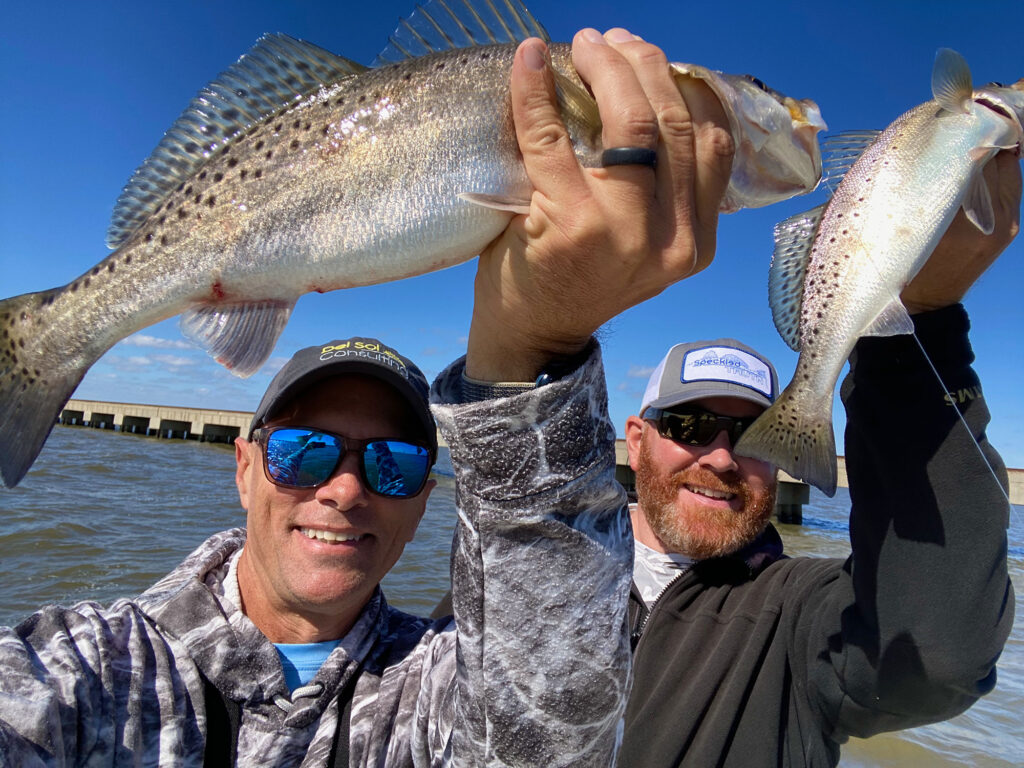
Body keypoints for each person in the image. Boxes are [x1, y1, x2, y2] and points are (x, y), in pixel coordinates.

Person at [0, 27, 736, 767]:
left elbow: (552, 730)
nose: (346, 488)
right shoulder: (80, 665)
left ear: (426, 497)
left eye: (395, 463)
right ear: (244, 467)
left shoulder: (432, 686)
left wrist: (530, 350)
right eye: (302, 452)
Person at [617, 150, 1020, 767]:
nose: (723, 457)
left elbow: (932, 661)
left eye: (754, 434)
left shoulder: (798, 615)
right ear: (638, 438)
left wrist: (921, 328)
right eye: (692, 425)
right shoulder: (534, 573)